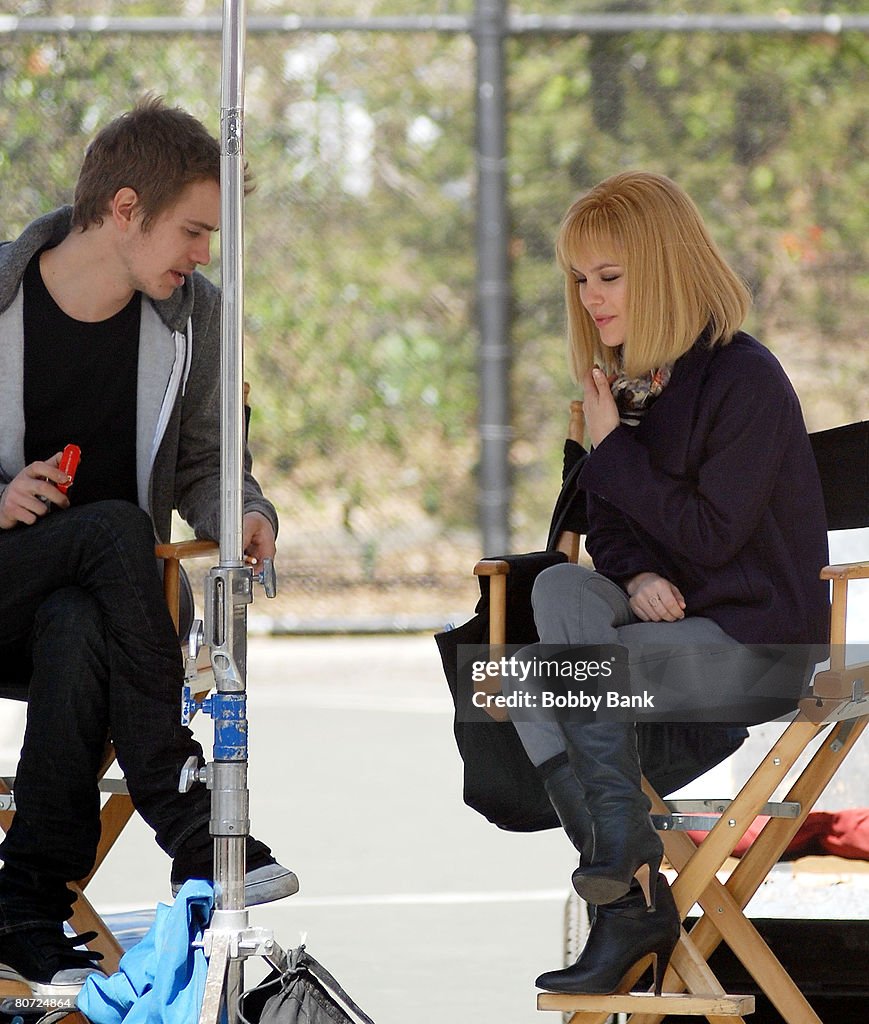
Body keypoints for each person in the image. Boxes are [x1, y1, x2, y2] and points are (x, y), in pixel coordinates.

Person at [503, 171, 830, 995]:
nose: (589, 299)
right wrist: (635, 569)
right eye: (579, 280)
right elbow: (604, 528)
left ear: (665, 269)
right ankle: (626, 869)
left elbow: (716, 539)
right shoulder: (627, 383)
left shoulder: (744, 379)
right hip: (658, 632)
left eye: (608, 277)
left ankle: (628, 899)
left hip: (760, 643)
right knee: (554, 595)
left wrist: (613, 449)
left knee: (534, 679)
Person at [0, 96, 297, 996]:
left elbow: (211, 461)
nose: (203, 254)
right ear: (124, 209)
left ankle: (21, 906)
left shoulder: (192, 317)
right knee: (118, 530)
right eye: (193, 230)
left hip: (99, 617)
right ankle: (182, 804)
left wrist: (245, 511)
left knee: (79, 617)